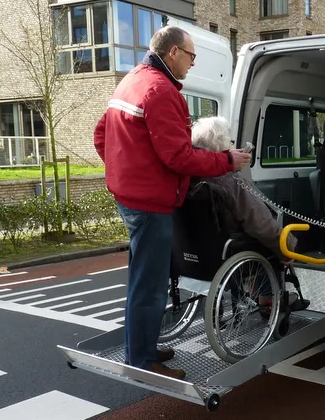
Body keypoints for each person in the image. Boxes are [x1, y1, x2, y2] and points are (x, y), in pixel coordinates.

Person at [93, 26, 251, 380]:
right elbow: (179, 158)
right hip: (151, 204)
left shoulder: (131, 81)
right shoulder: (161, 91)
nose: (193, 64)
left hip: (131, 197)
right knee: (149, 285)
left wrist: (126, 170)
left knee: (141, 279)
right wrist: (227, 161)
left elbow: (101, 135)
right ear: (173, 53)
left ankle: (142, 347)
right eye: (191, 56)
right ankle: (143, 361)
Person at [189, 116, 297, 265]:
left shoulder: (187, 179)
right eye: (231, 142)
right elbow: (261, 224)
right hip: (230, 253)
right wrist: (288, 248)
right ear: (223, 145)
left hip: (191, 253)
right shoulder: (229, 181)